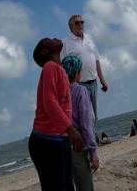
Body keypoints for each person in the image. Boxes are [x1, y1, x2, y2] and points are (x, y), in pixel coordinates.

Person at [30, 38, 84, 191]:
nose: (54, 38)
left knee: (66, 186)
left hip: (58, 139)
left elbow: (63, 106)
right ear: (45, 52)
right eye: (49, 40)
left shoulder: (59, 69)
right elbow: (50, 102)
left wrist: (69, 133)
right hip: (46, 140)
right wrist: (71, 130)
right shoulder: (50, 66)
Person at [63, 15, 108, 138]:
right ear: (71, 27)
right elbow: (64, 66)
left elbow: (96, 60)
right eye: (77, 23)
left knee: (94, 114)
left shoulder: (89, 38)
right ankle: (88, 140)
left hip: (93, 82)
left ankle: (92, 138)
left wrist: (102, 80)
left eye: (82, 22)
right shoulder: (66, 43)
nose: (80, 25)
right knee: (85, 115)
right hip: (79, 84)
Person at [60, 55, 98, 191]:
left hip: (60, 146)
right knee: (85, 186)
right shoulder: (80, 91)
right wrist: (93, 152)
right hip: (76, 146)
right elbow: (86, 124)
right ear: (76, 73)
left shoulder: (58, 94)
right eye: (80, 70)